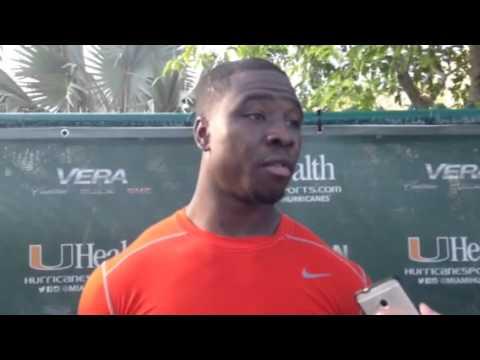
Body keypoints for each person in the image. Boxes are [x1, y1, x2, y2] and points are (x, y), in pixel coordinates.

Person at [78, 58, 436, 315]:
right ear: (204, 133)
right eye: (256, 115)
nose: (283, 134)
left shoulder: (345, 281)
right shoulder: (117, 286)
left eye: (294, 121)